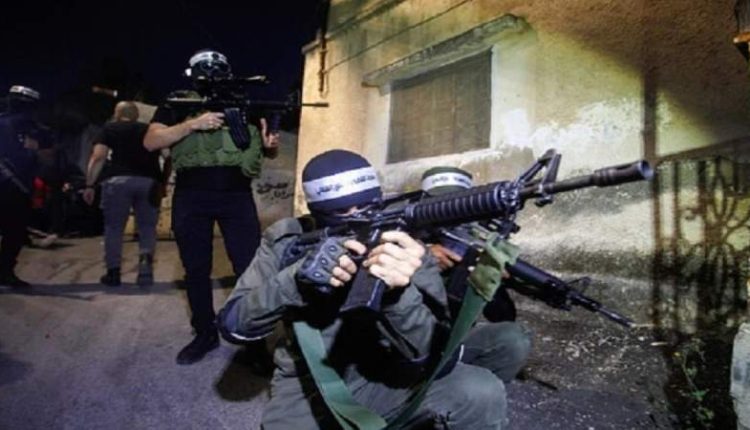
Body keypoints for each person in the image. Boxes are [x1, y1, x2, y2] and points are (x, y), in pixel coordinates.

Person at [217, 150, 515, 429]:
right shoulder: (286, 239)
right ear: (316, 212)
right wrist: (292, 281)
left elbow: (434, 355)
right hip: (311, 379)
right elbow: (234, 325)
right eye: (342, 212)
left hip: (387, 366)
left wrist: (397, 295)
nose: (360, 219)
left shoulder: (402, 241)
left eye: (368, 206)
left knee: (478, 390)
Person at [144, 49, 280, 365]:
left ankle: (253, 338)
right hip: (192, 195)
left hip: (237, 196)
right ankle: (204, 333)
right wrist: (193, 124)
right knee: (196, 269)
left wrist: (270, 146)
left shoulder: (245, 104)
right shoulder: (177, 103)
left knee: (248, 267)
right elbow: (151, 142)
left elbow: (266, 149)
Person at [420, 166, 531, 384]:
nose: (450, 215)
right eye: (440, 205)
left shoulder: (473, 243)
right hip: (402, 347)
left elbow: (502, 316)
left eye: (458, 206)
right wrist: (422, 255)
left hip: (449, 343)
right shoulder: (400, 238)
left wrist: (491, 281)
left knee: (514, 338)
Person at [83, 101, 167, 287]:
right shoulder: (150, 129)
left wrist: (89, 185)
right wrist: (162, 182)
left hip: (117, 182)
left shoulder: (109, 129)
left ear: (117, 113)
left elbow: (98, 156)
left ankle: (113, 273)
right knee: (147, 228)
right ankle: (145, 272)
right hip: (149, 182)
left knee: (114, 228)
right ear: (136, 115)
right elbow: (167, 155)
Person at [0, 85, 43, 287]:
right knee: (14, 231)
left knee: (14, 231)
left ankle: (5, 272)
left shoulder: (26, 125)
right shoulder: (30, 127)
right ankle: (5, 271)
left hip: (17, 184)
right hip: (16, 185)